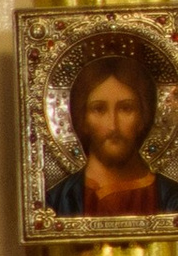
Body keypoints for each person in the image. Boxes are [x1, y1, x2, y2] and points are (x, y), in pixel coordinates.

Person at [46, 43, 178, 217]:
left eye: (126, 108)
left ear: (144, 116)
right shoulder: (56, 202)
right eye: (99, 109)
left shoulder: (170, 199)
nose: (113, 126)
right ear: (82, 118)